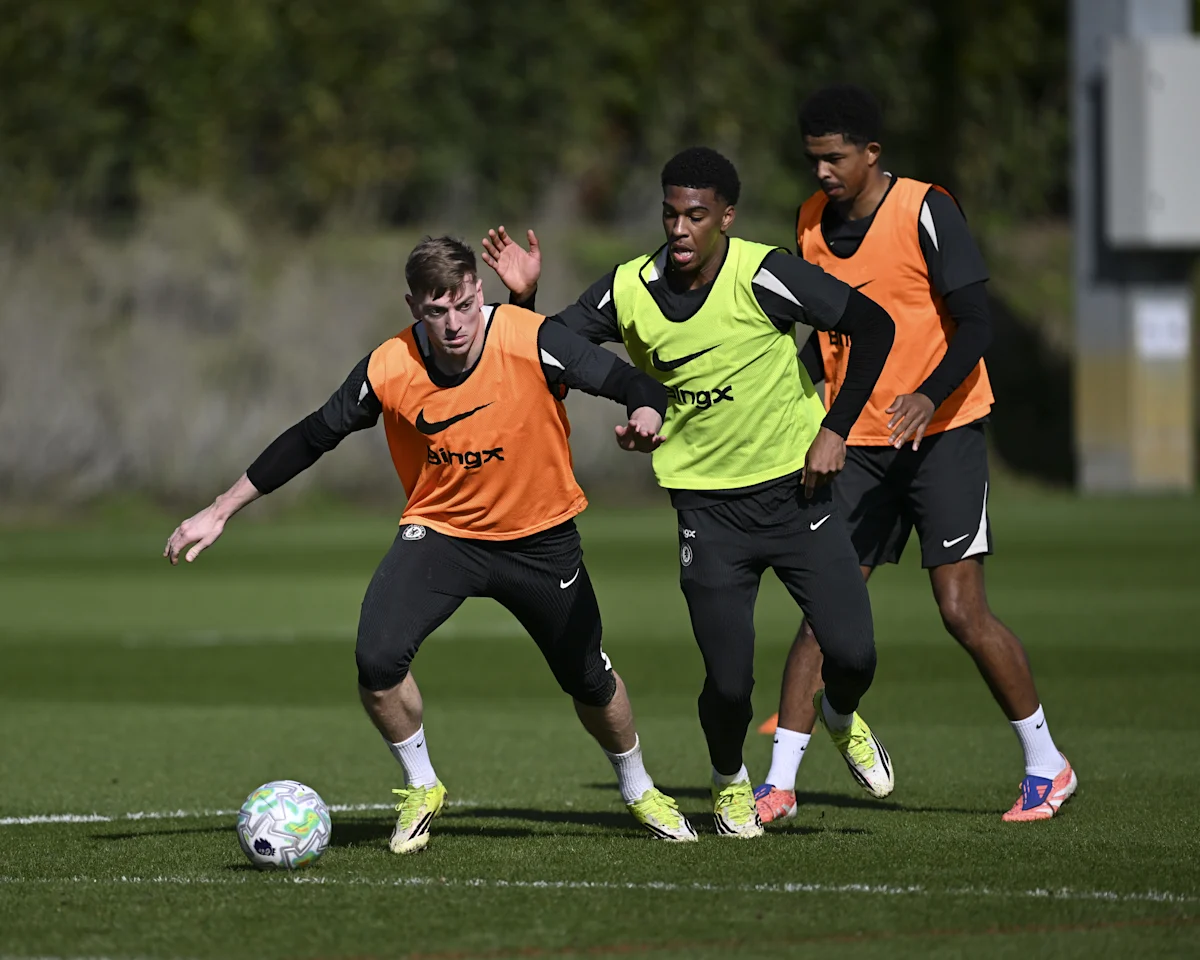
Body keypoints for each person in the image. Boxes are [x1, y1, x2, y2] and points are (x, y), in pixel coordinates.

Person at [164, 236, 699, 852]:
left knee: (588, 678)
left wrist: (647, 416)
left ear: (479, 293)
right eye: (437, 311)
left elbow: (638, 384)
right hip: (441, 533)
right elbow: (313, 435)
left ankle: (637, 788)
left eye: (466, 305)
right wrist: (221, 508)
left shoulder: (530, 337)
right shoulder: (388, 365)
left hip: (540, 536)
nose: (454, 325)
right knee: (377, 661)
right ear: (414, 306)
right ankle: (423, 786)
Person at [483, 147, 897, 839]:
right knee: (730, 683)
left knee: (854, 656)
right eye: (670, 214)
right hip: (708, 512)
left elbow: (874, 325)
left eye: (696, 216)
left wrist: (837, 427)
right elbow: (546, 355)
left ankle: (840, 714)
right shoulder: (628, 289)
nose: (679, 229)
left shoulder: (763, 274)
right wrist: (523, 302)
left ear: (726, 218)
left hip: (799, 495)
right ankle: (730, 779)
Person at [754, 85, 1077, 824]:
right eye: (814, 160)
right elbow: (822, 338)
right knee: (823, 611)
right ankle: (778, 784)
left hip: (943, 437)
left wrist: (929, 395)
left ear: (872, 153)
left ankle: (1046, 764)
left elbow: (976, 324)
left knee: (961, 610)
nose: (823, 174)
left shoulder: (927, 210)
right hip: (856, 449)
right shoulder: (808, 223)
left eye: (835, 158)